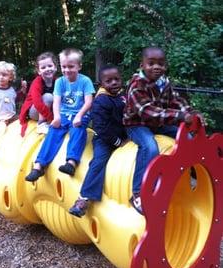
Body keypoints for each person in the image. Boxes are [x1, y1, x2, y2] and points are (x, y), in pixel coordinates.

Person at [123, 46, 204, 215]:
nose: (156, 67)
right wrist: (179, 116)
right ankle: (138, 193)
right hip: (137, 124)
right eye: (151, 63)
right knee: (150, 146)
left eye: (160, 63)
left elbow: (175, 101)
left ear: (165, 65)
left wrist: (189, 112)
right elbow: (146, 111)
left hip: (158, 123)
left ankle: (192, 175)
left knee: (188, 138)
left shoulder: (164, 83)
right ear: (142, 65)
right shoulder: (137, 85)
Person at [25, 48, 95, 182]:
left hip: (80, 113)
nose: (67, 70)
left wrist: (79, 116)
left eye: (71, 66)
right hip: (63, 114)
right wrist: (56, 117)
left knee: (78, 131)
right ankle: (39, 165)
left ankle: (71, 162)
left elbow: (89, 102)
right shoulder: (60, 82)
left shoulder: (85, 81)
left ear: (79, 66)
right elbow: (56, 102)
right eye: (64, 67)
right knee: (53, 131)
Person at [69, 65, 127, 217]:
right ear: (102, 84)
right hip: (104, 138)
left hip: (124, 135)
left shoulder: (123, 97)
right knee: (99, 161)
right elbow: (101, 128)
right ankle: (83, 198)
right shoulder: (101, 101)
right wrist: (117, 142)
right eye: (109, 81)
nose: (114, 83)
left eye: (117, 79)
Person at [19, 52, 57, 136]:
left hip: (48, 111)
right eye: (43, 67)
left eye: (50, 66)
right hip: (34, 111)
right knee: (48, 97)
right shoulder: (37, 82)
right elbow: (37, 103)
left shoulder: (57, 81)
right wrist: (51, 118)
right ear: (39, 71)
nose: (47, 69)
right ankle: (41, 124)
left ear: (55, 67)